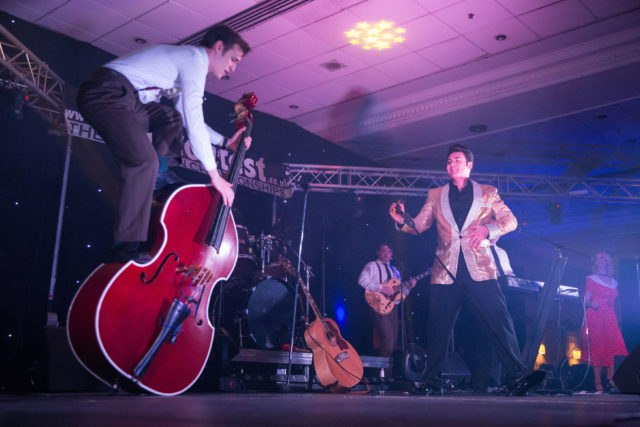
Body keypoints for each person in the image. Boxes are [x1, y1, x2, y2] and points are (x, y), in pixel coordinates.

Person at [76, 24, 252, 263]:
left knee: (170, 118)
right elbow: (195, 117)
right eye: (233, 59)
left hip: (127, 100)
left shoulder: (186, 62)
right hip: (105, 92)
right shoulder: (194, 61)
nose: (233, 67)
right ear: (218, 47)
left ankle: (159, 174)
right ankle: (124, 244)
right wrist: (215, 176)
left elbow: (187, 119)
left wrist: (223, 141)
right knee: (143, 161)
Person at [389, 144, 544, 395]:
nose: (452, 164)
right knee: (438, 328)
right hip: (445, 270)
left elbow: (511, 221)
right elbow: (419, 225)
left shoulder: (488, 192)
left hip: (480, 269)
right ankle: (431, 381)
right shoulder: (435, 195)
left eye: (457, 160)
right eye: (449, 161)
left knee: (499, 320)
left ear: (470, 165)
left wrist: (489, 229)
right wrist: (402, 222)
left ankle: (518, 375)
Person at [358, 243, 416, 376]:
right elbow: (361, 280)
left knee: (392, 341)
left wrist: (409, 287)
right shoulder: (372, 265)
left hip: (392, 308)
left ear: (392, 254)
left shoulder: (395, 271)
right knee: (388, 340)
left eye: (389, 251)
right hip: (378, 306)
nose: (386, 254)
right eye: (383, 251)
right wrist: (381, 288)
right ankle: (381, 374)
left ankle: (384, 374)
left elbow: (399, 296)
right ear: (378, 252)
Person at [581, 251, 628, 392]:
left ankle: (611, 380)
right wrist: (591, 303)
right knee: (598, 348)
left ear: (607, 260)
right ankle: (597, 383)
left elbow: (616, 303)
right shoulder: (591, 279)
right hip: (595, 316)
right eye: (596, 258)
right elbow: (585, 300)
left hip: (610, 317)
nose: (599, 260)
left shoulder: (614, 282)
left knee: (613, 347)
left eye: (601, 257)